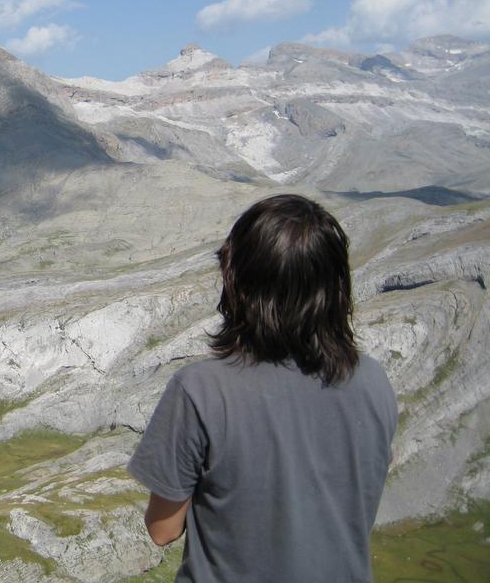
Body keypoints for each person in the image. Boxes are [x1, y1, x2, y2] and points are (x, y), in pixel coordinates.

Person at [127, 194, 397, 582]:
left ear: (238, 282)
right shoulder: (373, 381)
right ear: (335, 287)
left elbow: (162, 529)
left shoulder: (200, 390)